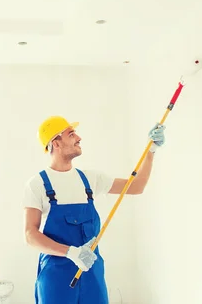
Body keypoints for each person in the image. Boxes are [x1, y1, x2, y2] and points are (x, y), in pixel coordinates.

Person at [23, 116, 165, 304]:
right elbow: (30, 235)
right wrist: (71, 253)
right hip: (56, 276)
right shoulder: (37, 184)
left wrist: (151, 150)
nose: (79, 138)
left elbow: (136, 186)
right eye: (71, 134)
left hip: (92, 273)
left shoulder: (90, 180)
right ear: (55, 143)